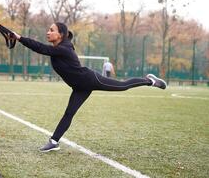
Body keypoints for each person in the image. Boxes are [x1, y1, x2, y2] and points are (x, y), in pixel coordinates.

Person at [9, 22, 166, 152]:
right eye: (48, 29)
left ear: (61, 34)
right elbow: (44, 48)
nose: (48, 32)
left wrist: (20, 38)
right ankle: (54, 141)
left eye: (52, 30)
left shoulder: (63, 49)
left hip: (90, 80)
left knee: (122, 86)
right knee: (69, 113)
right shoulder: (58, 49)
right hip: (79, 87)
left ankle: (149, 80)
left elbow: (41, 48)